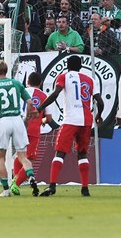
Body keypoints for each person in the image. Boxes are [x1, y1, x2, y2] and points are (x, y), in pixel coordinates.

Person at [32, 55, 104, 197]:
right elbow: (100, 102)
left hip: (70, 120)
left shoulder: (64, 76)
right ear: (81, 66)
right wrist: (98, 115)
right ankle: (85, 188)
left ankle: (52, 186)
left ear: (67, 65)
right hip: (86, 121)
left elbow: (55, 94)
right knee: (82, 154)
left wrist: (40, 108)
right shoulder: (91, 80)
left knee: (60, 153)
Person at [0, 60, 39, 197]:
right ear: (6, 70)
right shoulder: (16, 84)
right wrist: (27, 118)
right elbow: (29, 102)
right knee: (22, 155)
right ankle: (31, 176)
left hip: (3, 121)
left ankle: (5, 190)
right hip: (17, 120)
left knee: (1, 157)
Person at [10, 72, 54, 195]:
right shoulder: (44, 95)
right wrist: (42, 120)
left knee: (20, 155)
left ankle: (15, 179)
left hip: (19, 126)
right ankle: (16, 183)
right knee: (29, 159)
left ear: (27, 81)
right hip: (33, 130)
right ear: (40, 83)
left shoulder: (20, 92)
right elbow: (49, 118)